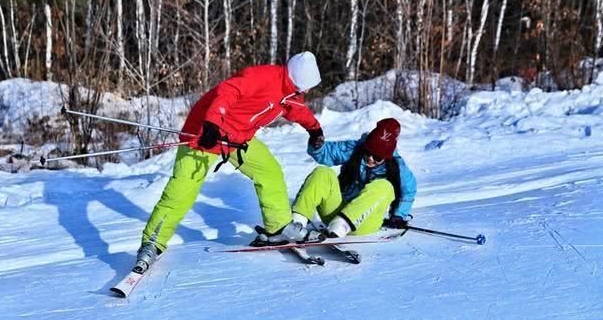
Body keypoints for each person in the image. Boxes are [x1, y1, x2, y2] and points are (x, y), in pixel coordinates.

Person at [135, 52, 326, 272]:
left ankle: (278, 227)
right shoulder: (263, 77)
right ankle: (153, 242)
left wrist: (314, 128)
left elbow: (297, 110)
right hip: (205, 133)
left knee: (269, 171)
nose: (309, 91)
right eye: (308, 85)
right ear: (297, 78)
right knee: (181, 192)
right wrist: (212, 123)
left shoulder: (290, 92)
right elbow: (228, 91)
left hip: (237, 138)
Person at [289, 118, 417, 238]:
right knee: (323, 172)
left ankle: (343, 225)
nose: (370, 159)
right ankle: (296, 223)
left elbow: (409, 189)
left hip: (364, 223)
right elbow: (327, 153)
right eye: (368, 152)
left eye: (377, 157)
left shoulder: (397, 167)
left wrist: (398, 216)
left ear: (387, 156)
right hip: (334, 215)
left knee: (385, 186)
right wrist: (317, 145)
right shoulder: (355, 149)